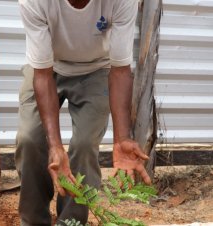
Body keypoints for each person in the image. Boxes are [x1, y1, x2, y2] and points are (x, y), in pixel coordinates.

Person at [15, 0, 151, 225]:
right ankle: (33, 221)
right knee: (30, 138)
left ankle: (71, 222)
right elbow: (42, 74)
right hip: (47, 69)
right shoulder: (34, 2)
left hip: (97, 69)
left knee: (85, 144)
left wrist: (122, 138)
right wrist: (55, 146)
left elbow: (120, 70)